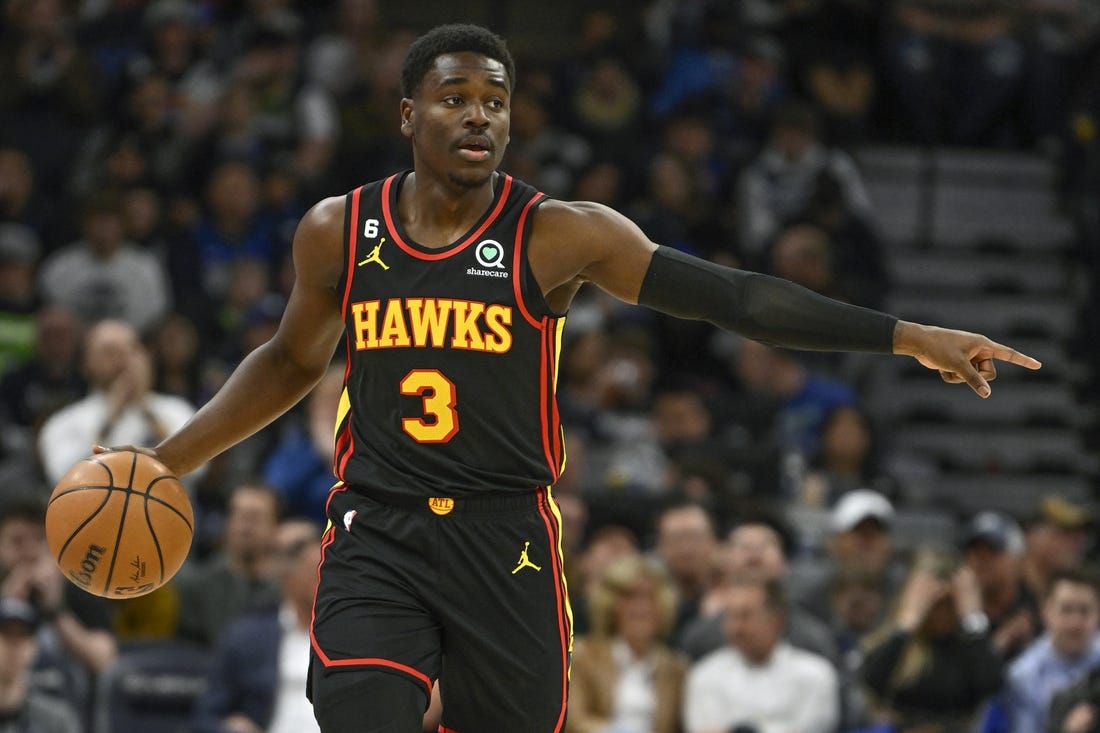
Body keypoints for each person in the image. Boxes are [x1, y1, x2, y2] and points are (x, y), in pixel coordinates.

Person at [98, 23, 1040, 732]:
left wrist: (907, 333)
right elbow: (290, 360)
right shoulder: (339, 229)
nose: (479, 115)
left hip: (505, 532)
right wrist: (166, 460)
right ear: (406, 114)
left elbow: (735, 299)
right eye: (456, 96)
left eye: (496, 101)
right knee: (362, 710)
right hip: (376, 523)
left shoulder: (558, 233)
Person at [861, 546, 1004, 733]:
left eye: (949, 604)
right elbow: (872, 681)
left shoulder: (970, 646)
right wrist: (908, 622)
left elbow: (992, 686)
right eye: (935, 604)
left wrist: (972, 618)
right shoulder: (897, 643)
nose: (941, 613)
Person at [681, 576, 839, 733]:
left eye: (745, 616)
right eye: (729, 616)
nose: (735, 627)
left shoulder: (816, 674)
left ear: (777, 619)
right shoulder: (705, 674)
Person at [566, 554, 688, 733]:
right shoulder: (583, 656)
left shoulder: (675, 668)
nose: (641, 607)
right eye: (630, 597)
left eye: (649, 597)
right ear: (610, 604)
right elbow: (573, 720)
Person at [1003, 566, 1100, 733]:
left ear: (1097, 614)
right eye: (1066, 610)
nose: (1075, 622)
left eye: (1084, 610)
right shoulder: (1024, 675)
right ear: (1046, 612)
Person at [0, 597, 82, 733]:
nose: (15, 645)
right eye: (6, 633)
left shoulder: (55, 720)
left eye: (23, 635)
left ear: (34, 647)